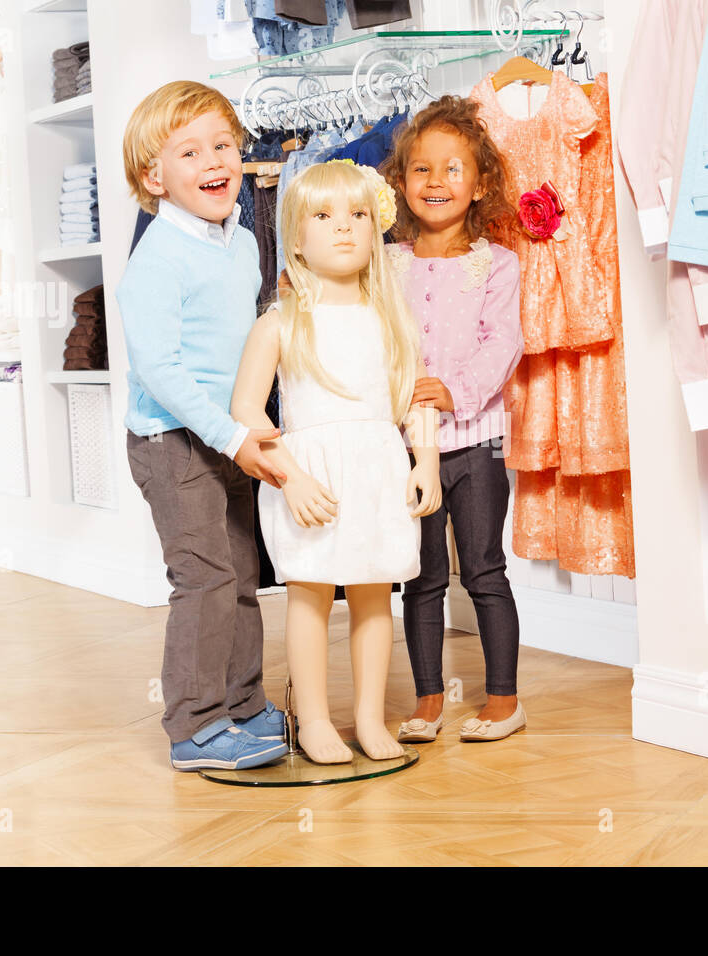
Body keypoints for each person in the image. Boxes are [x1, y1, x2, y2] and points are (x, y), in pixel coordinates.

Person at [229, 159, 443, 764]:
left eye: (356, 215)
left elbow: (415, 395)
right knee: (311, 592)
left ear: (375, 230)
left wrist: (424, 461)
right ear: (295, 236)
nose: (343, 228)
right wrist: (288, 477)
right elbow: (246, 410)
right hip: (312, 479)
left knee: (376, 592)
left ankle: (371, 720)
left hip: (379, 472)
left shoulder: (390, 319)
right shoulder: (279, 323)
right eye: (324, 216)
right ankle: (316, 721)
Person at [117, 80, 289, 771]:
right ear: (154, 177)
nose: (214, 159)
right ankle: (194, 723)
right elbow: (160, 370)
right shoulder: (156, 259)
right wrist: (232, 436)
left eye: (223, 144)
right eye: (190, 151)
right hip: (173, 443)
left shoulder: (241, 243)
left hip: (228, 434)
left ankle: (242, 702)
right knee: (204, 578)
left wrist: (252, 424)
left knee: (242, 573)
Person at [380, 96, 528, 743]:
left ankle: (503, 699)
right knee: (421, 579)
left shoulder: (498, 263)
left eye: (451, 169)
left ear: (481, 183)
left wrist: (457, 391)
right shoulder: (386, 265)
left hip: (478, 445)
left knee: (484, 570)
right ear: (400, 181)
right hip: (406, 449)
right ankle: (428, 700)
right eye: (420, 169)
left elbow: (505, 343)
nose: (435, 182)